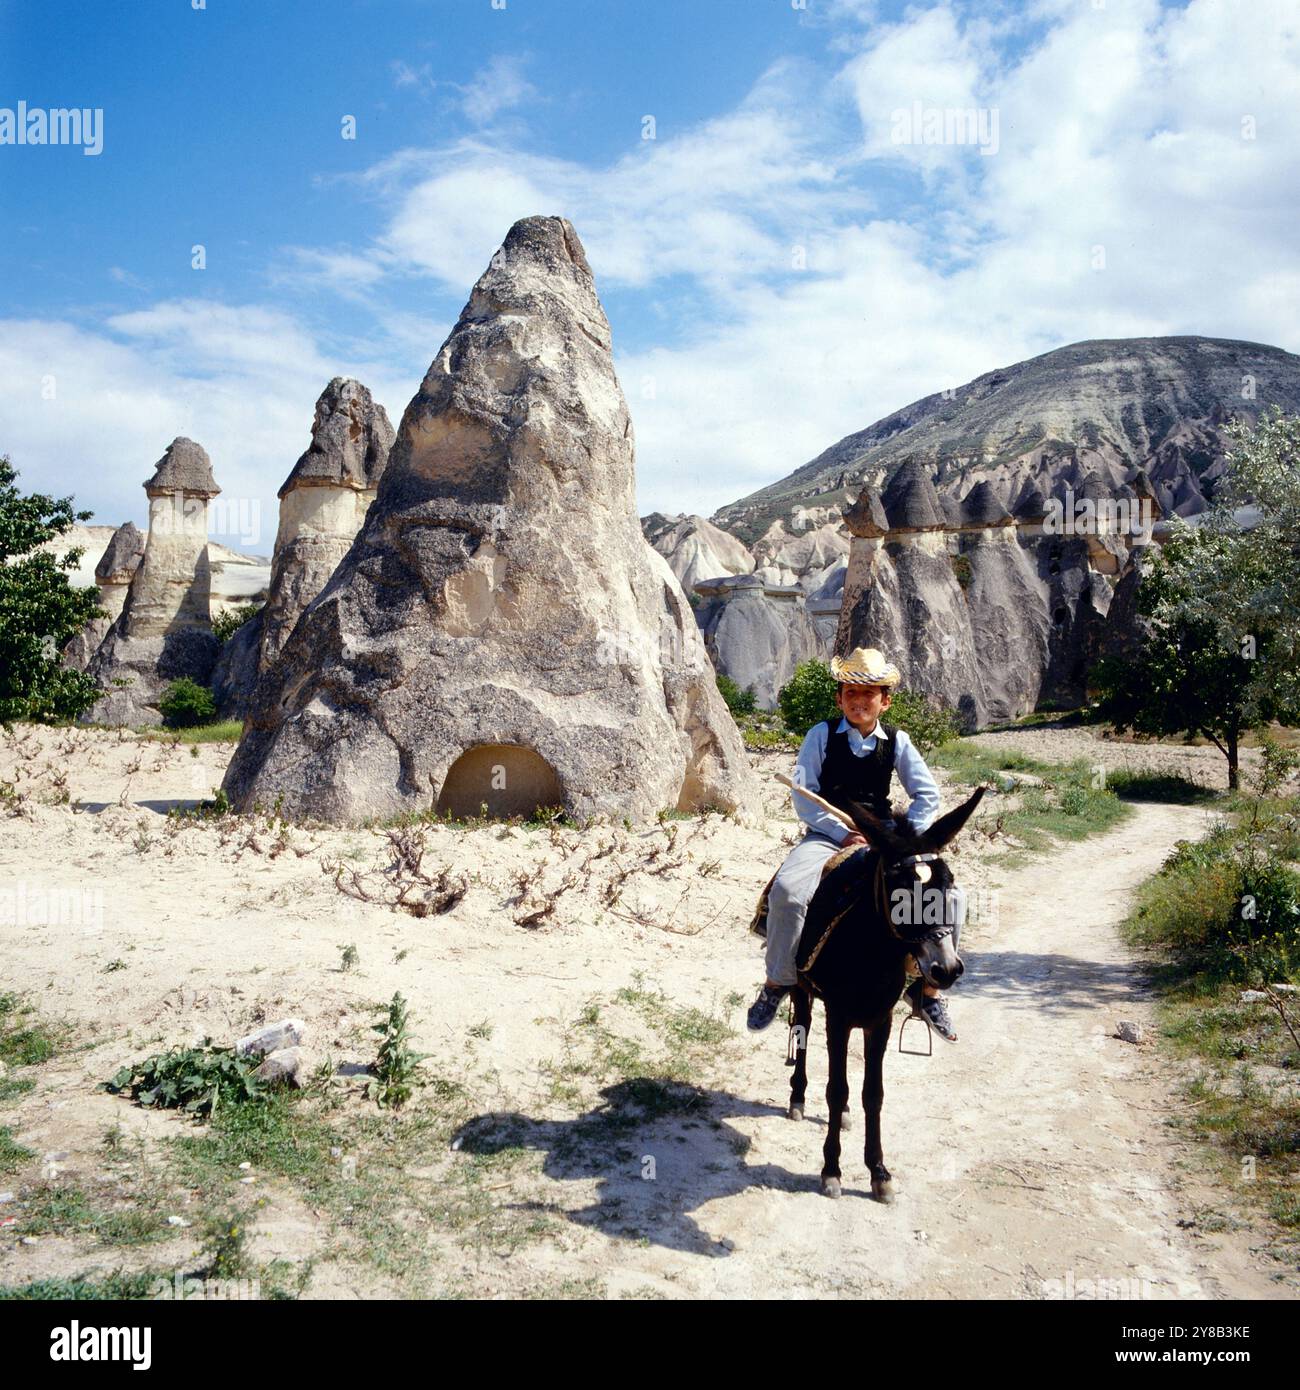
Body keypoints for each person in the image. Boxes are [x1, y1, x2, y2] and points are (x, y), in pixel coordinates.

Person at [746, 646, 961, 1041]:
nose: (859, 700)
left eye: (869, 693)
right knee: (790, 893)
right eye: (851, 692)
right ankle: (777, 982)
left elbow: (928, 796)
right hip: (829, 836)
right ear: (839, 698)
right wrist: (841, 832)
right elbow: (803, 794)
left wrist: (900, 840)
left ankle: (928, 992)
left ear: (885, 701)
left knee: (948, 895)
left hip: (884, 842)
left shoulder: (897, 741)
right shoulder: (821, 735)